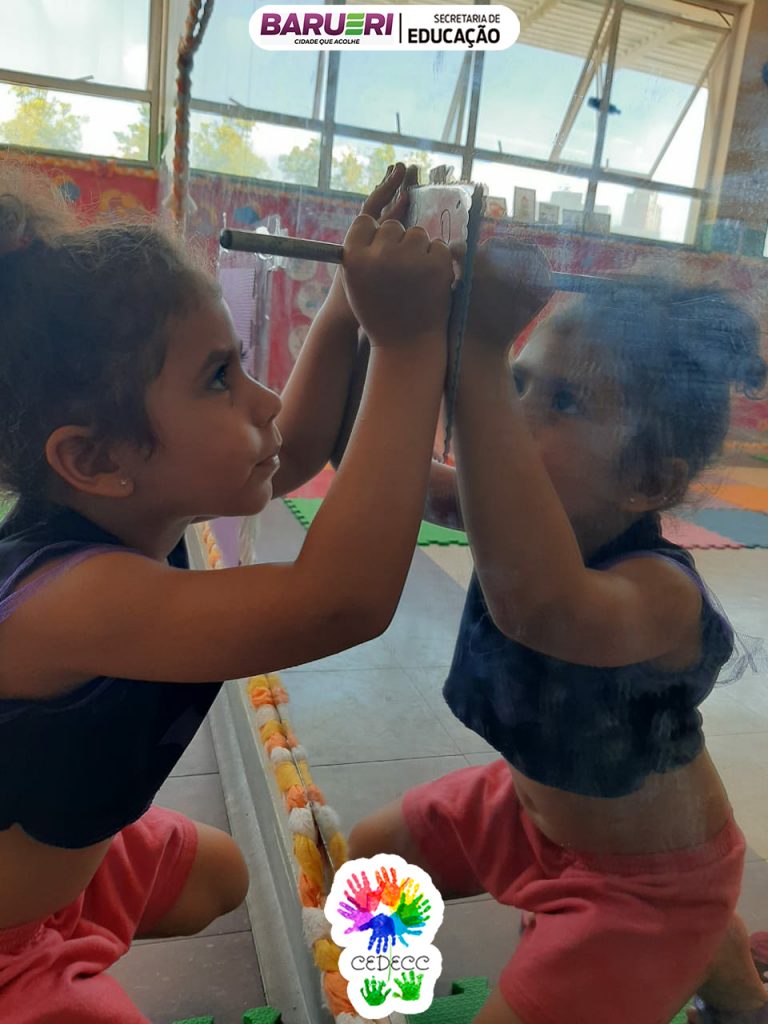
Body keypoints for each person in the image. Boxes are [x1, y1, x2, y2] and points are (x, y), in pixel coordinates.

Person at [0, 158, 453, 1023]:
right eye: (219, 378)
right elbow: (341, 600)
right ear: (95, 457)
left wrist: (350, 306)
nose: (264, 399)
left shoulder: (126, 504)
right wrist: (409, 343)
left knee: (218, 877)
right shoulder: (72, 599)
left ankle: (66, 921)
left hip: (54, 851)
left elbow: (297, 443)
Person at [345, 236, 768, 1024]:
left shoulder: (660, 594)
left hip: (647, 885)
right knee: (374, 858)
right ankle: (387, 1000)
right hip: (527, 811)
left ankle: (721, 972)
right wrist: (378, 324)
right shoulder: (502, 509)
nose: (508, 413)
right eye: (517, 382)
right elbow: (376, 462)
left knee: (665, 945)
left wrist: (478, 357)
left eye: (564, 402)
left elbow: (538, 605)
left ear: (647, 479)